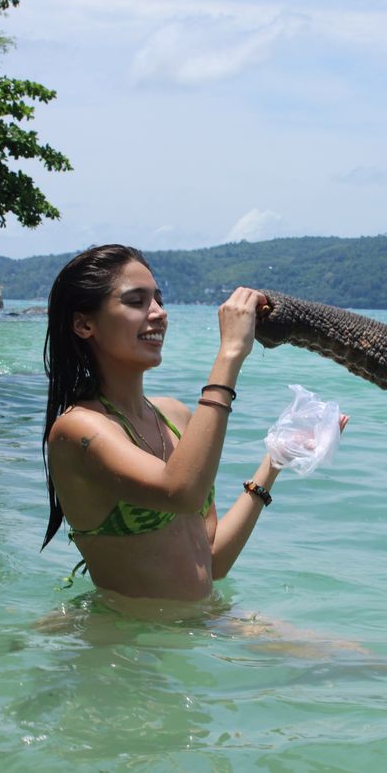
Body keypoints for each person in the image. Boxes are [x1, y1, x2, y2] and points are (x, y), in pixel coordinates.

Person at [41, 244, 347, 605]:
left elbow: (212, 562)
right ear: (84, 323)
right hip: (132, 644)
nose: (158, 313)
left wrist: (275, 460)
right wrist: (230, 353)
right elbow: (181, 493)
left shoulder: (174, 415)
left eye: (158, 299)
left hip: (201, 624)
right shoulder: (77, 430)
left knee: (366, 662)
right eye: (136, 301)